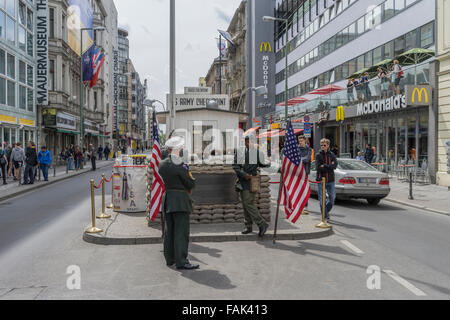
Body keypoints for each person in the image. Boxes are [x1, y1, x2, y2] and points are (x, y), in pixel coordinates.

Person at [159, 136, 199, 270]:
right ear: (178, 149)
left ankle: (169, 259)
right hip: (180, 201)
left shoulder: (162, 164)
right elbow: (191, 182)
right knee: (181, 233)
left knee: (169, 231)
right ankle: (181, 261)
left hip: (168, 199)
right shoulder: (181, 165)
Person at [232, 136, 270, 237]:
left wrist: (273, 165)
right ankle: (248, 226)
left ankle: (262, 224)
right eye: (248, 142)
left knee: (249, 203)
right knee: (245, 205)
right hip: (243, 180)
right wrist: (244, 175)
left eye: (252, 142)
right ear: (245, 142)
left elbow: (263, 164)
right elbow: (235, 166)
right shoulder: (240, 152)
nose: (251, 144)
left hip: (253, 181)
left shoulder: (258, 152)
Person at [315, 139, 338, 222]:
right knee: (322, 199)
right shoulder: (318, 155)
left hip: (331, 179)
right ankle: (324, 216)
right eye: (321, 145)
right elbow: (318, 167)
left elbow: (335, 165)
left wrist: (324, 166)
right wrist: (329, 166)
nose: (322, 146)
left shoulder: (332, 155)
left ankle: (326, 211)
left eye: (324, 145)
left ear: (328, 145)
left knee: (332, 198)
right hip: (321, 179)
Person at [298, 135, 312, 215]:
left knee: (305, 190)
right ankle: (299, 205)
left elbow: (308, 159)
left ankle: (305, 206)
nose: (300, 142)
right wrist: (303, 159)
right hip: (298, 172)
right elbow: (296, 159)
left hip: (305, 172)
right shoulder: (296, 149)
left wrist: (301, 159)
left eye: (301, 141)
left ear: (304, 141)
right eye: (299, 141)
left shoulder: (309, 149)